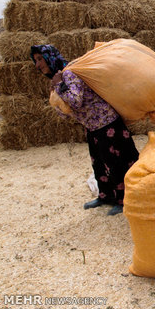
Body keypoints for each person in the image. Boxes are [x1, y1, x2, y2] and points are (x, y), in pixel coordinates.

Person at [31, 44, 139, 216]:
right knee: (99, 163)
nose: (37, 65)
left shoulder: (68, 74)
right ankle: (106, 196)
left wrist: (59, 85)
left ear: (50, 58)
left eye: (39, 59)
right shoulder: (57, 80)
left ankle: (123, 199)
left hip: (107, 123)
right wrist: (56, 94)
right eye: (35, 61)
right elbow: (67, 113)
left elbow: (76, 101)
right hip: (93, 126)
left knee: (116, 162)